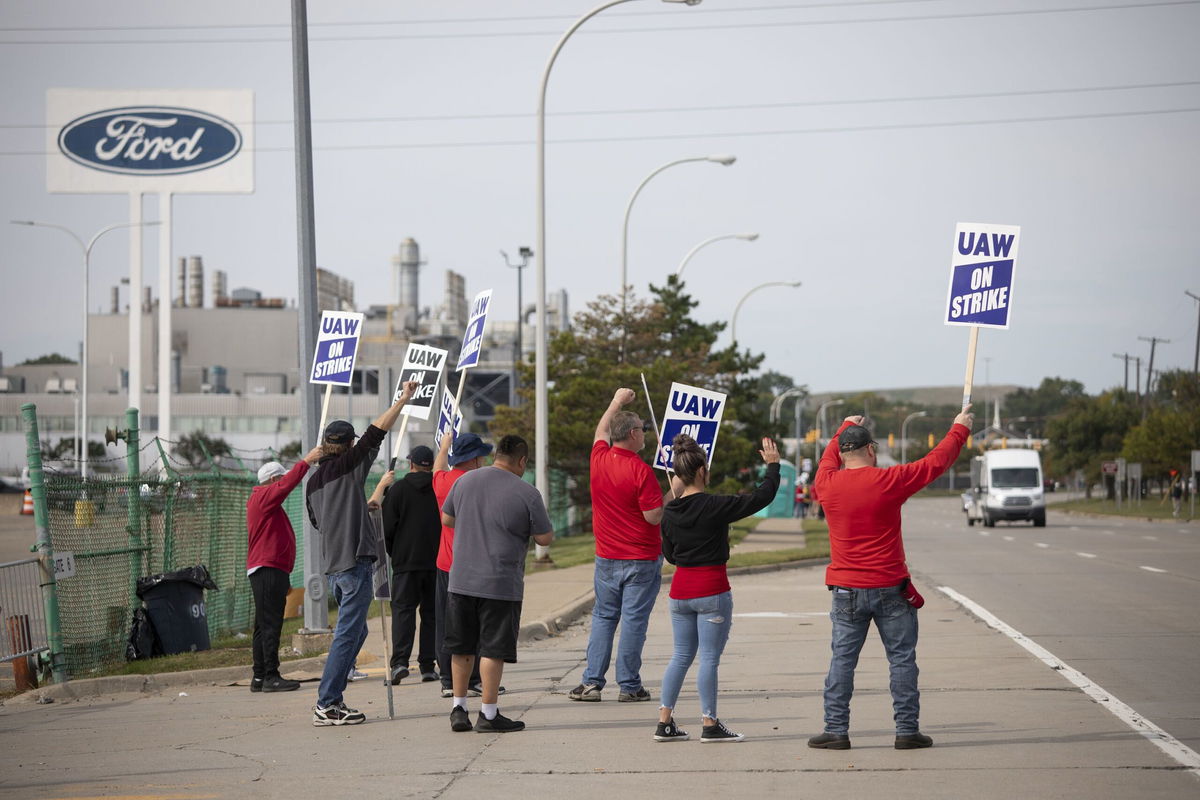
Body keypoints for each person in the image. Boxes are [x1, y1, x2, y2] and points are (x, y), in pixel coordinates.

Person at [807, 405, 974, 751]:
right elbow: (935, 463)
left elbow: (827, 457)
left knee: (842, 661)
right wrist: (959, 428)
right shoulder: (889, 480)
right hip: (891, 589)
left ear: (842, 453)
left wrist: (843, 427)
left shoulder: (826, 483)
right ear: (871, 450)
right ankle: (906, 730)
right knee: (901, 659)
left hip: (847, 590)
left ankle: (836, 730)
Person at [655, 434, 781, 744]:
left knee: (680, 656)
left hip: (680, 593)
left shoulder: (669, 511)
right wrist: (773, 467)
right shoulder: (715, 505)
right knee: (708, 658)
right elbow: (760, 497)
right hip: (711, 589)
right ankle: (709, 723)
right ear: (701, 471)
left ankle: (664, 722)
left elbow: (670, 555)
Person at [305, 380, 417, 727]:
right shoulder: (350, 465)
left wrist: (372, 501)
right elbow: (377, 432)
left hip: (335, 564)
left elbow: (322, 521)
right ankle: (328, 702)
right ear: (349, 445)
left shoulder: (313, 483)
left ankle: (333, 692)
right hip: (352, 563)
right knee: (347, 634)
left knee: (357, 633)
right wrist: (402, 399)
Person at [441, 434, 553, 733]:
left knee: (461, 647)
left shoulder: (464, 482)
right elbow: (544, 538)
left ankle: (459, 708)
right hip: (500, 583)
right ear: (522, 461)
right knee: (492, 649)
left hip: (461, 578)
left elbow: (447, 519)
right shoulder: (527, 493)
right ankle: (488, 714)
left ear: (495, 455)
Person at [569, 388, 664, 703]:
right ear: (634, 434)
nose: (646, 436)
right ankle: (629, 685)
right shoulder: (641, 471)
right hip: (641, 557)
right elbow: (653, 517)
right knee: (634, 620)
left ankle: (591, 682)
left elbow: (600, 430)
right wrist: (673, 490)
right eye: (643, 430)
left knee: (604, 617)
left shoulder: (598, 458)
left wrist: (616, 401)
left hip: (607, 556)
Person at [246, 448, 322, 694]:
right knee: (270, 625)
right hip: (268, 568)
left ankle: (259, 676)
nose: (283, 482)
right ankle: (270, 675)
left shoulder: (265, 501)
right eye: (280, 478)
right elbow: (285, 486)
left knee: (263, 624)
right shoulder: (264, 497)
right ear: (272, 480)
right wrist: (307, 462)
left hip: (270, 569)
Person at [369, 445, 441, 683]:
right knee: (431, 614)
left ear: (411, 464)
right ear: (430, 465)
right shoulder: (439, 489)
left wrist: (395, 552)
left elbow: (386, 528)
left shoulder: (398, 490)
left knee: (403, 613)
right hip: (435, 562)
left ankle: (400, 662)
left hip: (405, 562)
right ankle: (428, 665)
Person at [432, 429, 493, 698]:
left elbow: (436, 469)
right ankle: (475, 678)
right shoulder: (480, 484)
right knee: (478, 623)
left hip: (446, 563)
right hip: (476, 562)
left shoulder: (444, 482)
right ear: (476, 459)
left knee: (447, 623)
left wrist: (444, 447)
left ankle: (447, 678)